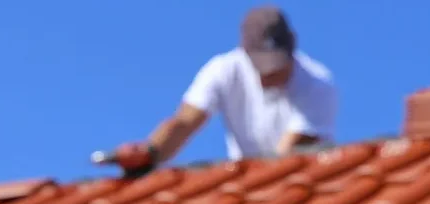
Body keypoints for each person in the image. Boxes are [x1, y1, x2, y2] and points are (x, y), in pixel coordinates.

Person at [103, 6, 338, 176]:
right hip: (250, 178)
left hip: (303, 179)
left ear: (292, 46)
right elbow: (185, 122)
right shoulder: (224, 70)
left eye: (276, 66)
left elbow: (283, 158)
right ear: (244, 52)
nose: (268, 75)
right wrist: (149, 152)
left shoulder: (318, 84)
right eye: (261, 67)